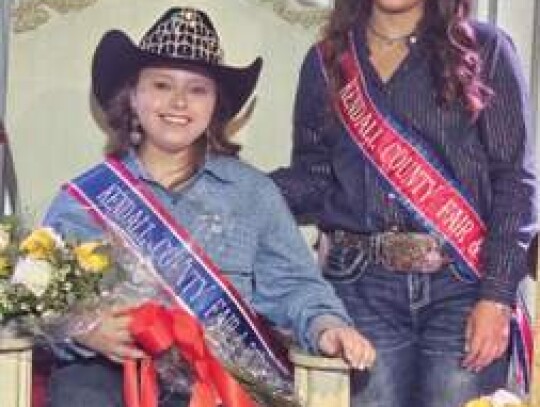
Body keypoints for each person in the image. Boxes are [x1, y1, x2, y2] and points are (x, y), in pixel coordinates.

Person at [42, 7, 375, 407]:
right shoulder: (85, 198)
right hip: (111, 379)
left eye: (198, 89)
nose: (179, 101)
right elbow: (44, 300)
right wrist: (85, 331)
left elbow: (295, 286)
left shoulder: (252, 193)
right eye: (161, 84)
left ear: (215, 105)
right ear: (132, 96)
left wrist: (328, 328)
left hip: (220, 381)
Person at [271, 1, 537, 407]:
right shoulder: (327, 61)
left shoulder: (487, 49)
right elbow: (314, 176)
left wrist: (497, 295)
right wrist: (238, 189)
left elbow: (515, 181)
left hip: (464, 288)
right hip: (360, 286)